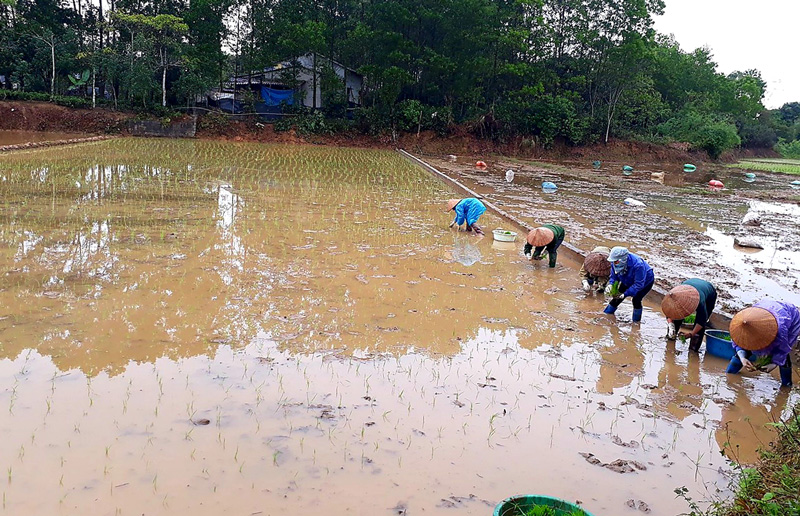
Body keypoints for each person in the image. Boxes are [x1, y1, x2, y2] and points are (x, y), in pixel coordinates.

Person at [726, 300, 800, 388]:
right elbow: (738, 342)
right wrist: (742, 358)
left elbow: (783, 349)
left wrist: (774, 364)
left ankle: (786, 385)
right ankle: (729, 375)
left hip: (791, 318)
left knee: (782, 354)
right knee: (747, 345)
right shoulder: (740, 325)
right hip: (760, 312)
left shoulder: (780, 331)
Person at [661, 279, 717, 352]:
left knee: (700, 324)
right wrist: (671, 325)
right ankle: (671, 338)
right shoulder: (672, 296)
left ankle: (693, 350)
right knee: (676, 319)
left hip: (709, 293)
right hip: (687, 286)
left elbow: (701, 321)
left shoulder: (700, 301)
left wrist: (691, 334)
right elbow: (669, 312)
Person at [603, 246, 654, 323]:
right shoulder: (615, 262)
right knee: (617, 297)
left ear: (622, 260)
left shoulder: (638, 265)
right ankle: (607, 314)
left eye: (615, 261)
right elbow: (614, 276)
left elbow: (638, 284)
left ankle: (636, 323)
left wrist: (625, 294)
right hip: (626, 278)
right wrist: (611, 284)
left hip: (645, 281)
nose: (613, 263)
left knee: (636, 300)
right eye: (613, 261)